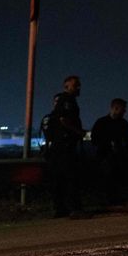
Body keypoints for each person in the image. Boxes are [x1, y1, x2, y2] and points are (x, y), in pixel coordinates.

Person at [44, 75, 88, 218]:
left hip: (57, 147)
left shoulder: (61, 103)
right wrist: (79, 132)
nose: (79, 88)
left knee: (59, 178)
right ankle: (75, 209)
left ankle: (60, 208)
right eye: (76, 85)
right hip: (65, 146)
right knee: (71, 177)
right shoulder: (67, 100)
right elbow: (64, 119)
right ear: (67, 86)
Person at [90, 98, 128, 206]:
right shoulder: (101, 122)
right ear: (116, 108)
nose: (124, 112)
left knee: (119, 178)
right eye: (123, 110)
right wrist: (107, 144)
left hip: (119, 156)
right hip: (105, 156)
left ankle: (118, 199)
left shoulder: (123, 123)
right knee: (107, 178)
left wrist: (126, 150)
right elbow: (94, 139)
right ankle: (108, 200)